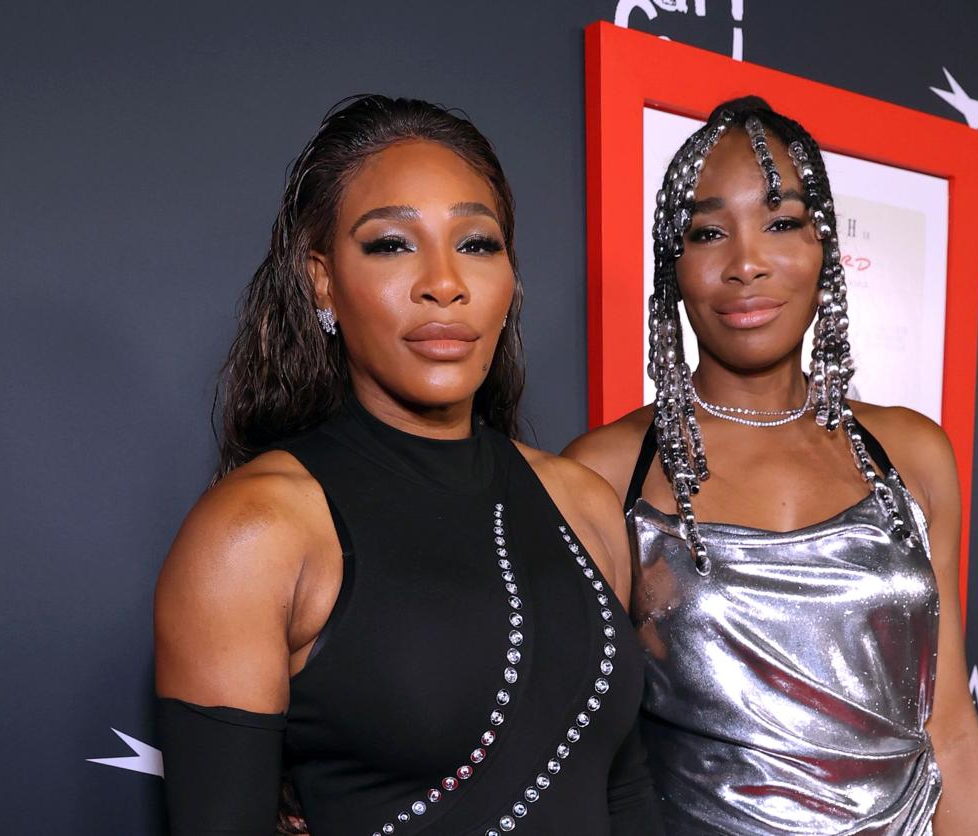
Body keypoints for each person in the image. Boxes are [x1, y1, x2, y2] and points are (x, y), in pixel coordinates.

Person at [154, 94, 663, 836]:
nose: (443, 282)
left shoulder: (582, 502)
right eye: (392, 244)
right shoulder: (256, 532)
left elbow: (626, 798)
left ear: (510, 283)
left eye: (478, 244)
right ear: (322, 281)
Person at [564, 96, 978, 834]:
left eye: (782, 222)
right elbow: (586, 758)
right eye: (708, 232)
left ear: (824, 246)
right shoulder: (605, 475)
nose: (747, 264)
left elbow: (950, 727)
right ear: (672, 265)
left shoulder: (914, 456)